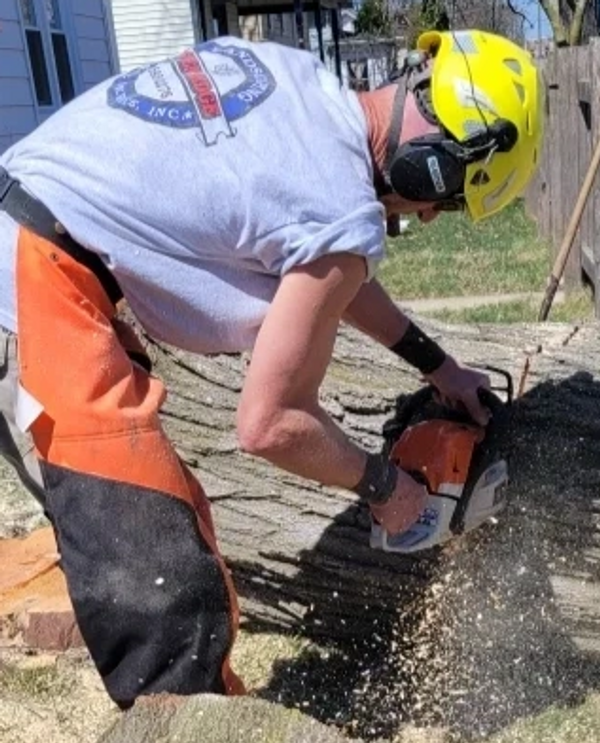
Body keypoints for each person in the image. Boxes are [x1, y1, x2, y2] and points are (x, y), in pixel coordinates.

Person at [0, 28, 543, 708]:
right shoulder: (341, 205)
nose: (430, 216)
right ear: (437, 161)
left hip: (33, 233)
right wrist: (385, 486)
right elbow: (269, 423)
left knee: (171, 531)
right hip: (36, 279)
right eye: (451, 196)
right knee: (165, 598)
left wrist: (438, 366)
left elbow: (323, 261)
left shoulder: (298, 82)